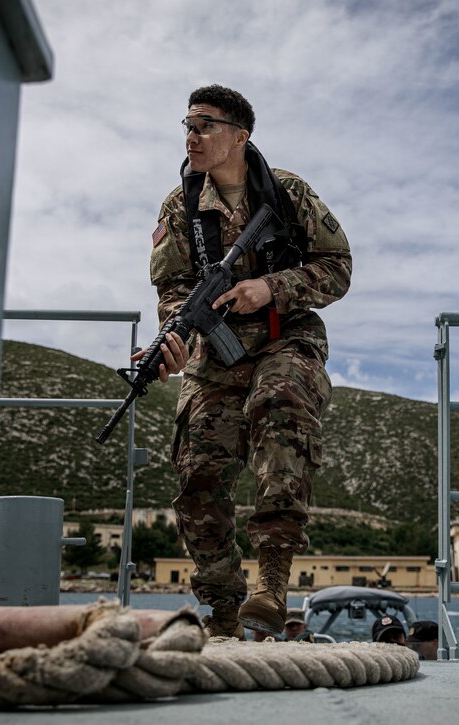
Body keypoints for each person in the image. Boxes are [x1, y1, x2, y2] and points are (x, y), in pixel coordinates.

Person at [143, 84, 352, 638]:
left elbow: (339, 267)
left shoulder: (288, 193)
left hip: (285, 337)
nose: (192, 135)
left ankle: (274, 581)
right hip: (216, 351)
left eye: (205, 125)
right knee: (197, 474)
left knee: (278, 403)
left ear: (241, 135)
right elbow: (171, 288)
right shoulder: (180, 206)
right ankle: (225, 609)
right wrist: (176, 335)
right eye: (187, 124)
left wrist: (271, 286)